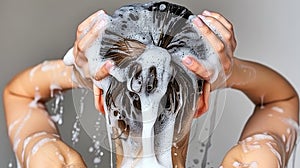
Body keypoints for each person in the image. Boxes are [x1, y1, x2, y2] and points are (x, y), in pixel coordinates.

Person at [3, 2, 299, 168]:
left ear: (101, 101)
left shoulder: (53, 164)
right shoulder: (253, 163)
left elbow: (19, 94)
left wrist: (84, 73)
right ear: (202, 101)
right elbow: (280, 100)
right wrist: (224, 73)